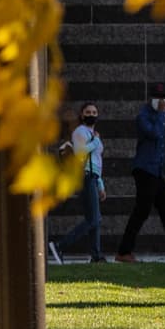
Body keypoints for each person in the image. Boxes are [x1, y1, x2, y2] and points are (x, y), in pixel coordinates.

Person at [116, 84, 165, 263]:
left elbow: (161, 146)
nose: (161, 100)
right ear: (150, 99)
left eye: (163, 97)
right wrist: (162, 114)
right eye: (157, 97)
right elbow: (155, 134)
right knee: (142, 211)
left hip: (155, 172)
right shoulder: (144, 116)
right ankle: (123, 252)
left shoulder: (158, 116)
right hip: (144, 170)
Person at [49, 102, 107, 264]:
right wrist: (96, 142)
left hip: (94, 176)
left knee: (95, 218)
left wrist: (101, 184)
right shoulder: (80, 131)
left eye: (94, 112)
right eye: (88, 112)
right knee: (93, 219)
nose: (92, 114)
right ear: (82, 115)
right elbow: (80, 153)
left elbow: (97, 161)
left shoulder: (93, 133)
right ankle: (60, 245)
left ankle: (96, 256)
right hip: (86, 176)